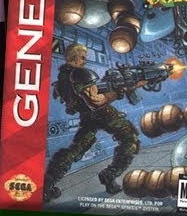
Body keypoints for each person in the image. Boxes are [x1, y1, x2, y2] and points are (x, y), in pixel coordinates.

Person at [44, 43, 144, 198]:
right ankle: (109, 174)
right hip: (103, 114)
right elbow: (96, 101)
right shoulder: (79, 73)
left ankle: (47, 185)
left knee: (76, 150)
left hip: (87, 117)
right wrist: (117, 92)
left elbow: (80, 101)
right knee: (130, 140)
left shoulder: (62, 79)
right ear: (74, 57)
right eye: (82, 57)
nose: (85, 61)